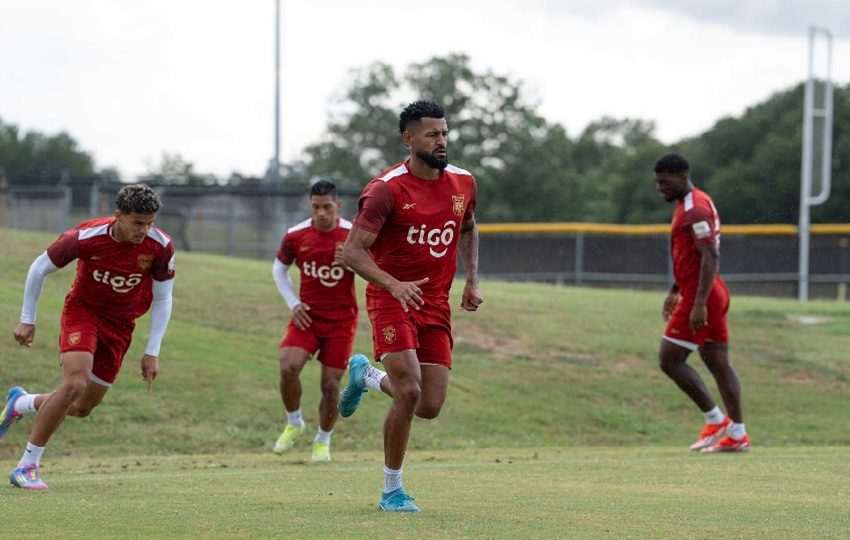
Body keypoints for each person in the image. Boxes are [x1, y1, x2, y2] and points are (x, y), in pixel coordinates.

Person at [338, 100, 483, 512]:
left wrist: (471, 279)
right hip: (389, 297)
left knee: (429, 406)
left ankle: (365, 374)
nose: (442, 141)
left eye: (445, 133)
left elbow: (469, 229)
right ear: (409, 138)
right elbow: (352, 252)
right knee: (409, 390)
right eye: (432, 134)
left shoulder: (464, 182)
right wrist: (393, 284)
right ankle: (391, 490)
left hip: (435, 303)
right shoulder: (386, 189)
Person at [1, 184, 176, 489]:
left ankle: (22, 403)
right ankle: (27, 467)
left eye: (150, 223)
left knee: (81, 407)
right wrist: (27, 319)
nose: (144, 231)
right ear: (118, 216)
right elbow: (39, 268)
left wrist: (152, 351)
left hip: (121, 325)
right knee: (74, 383)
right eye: (137, 223)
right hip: (83, 312)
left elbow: (163, 299)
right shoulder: (84, 237)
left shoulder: (160, 246)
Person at [654, 153, 749, 453]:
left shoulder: (695, 209)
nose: (660, 188)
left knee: (670, 360)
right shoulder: (688, 204)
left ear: (682, 177)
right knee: (719, 364)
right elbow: (691, 256)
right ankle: (737, 433)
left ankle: (716, 419)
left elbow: (710, 256)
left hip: (703, 295)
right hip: (708, 291)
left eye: (664, 182)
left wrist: (697, 303)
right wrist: (675, 287)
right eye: (657, 183)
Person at [271, 180, 357, 461]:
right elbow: (279, 269)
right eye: (316, 207)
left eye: (327, 207)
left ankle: (323, 440)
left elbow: (376, 270)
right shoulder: (296, 235)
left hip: (341, 321)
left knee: (331, 386)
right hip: (307, 316)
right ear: (310, 205)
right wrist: (293, 303)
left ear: (338, 206)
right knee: (288, 366)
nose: (321, 213)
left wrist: (353, 262)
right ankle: (294, 423)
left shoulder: (352, 235)